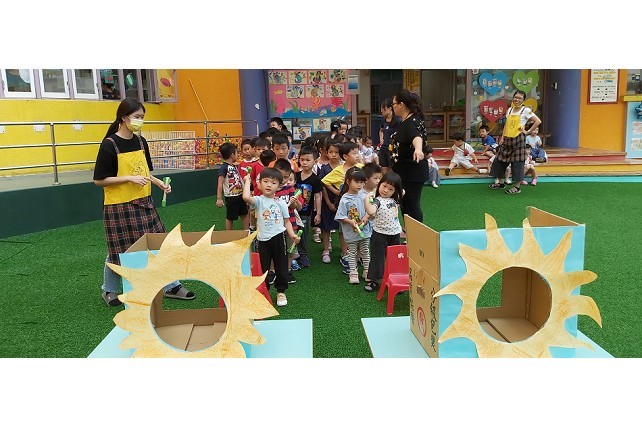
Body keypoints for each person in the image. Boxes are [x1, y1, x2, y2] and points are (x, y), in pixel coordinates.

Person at [93, 97, 194, 306]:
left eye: (142, 117)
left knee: (159, 244)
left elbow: (144, 172)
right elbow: (99, 180)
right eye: (137, 117)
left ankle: (171, 286)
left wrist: (158, 183)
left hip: (144, 202)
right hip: (118, 206)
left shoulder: (141, 142)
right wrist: (128, 179)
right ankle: (110, 289)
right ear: (124, 117)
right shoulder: (109, 144)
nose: (140, 121)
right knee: (118, 250)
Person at [242, 168, 300, 307]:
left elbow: (287, 222)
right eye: (266, 181)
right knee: (263, 268)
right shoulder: (258, 201)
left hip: (279, 238)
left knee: (281, 266)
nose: (269, 185)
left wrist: (292, 235)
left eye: (273, 183)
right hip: (262, 239)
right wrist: (247, 181)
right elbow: (246, 197)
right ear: (259, 184)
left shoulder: (281, 203)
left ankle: (281, 291)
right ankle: (264, 291)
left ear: (279, 186)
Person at [489, 90, 542, 195]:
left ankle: (517, 187)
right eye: (516, 97)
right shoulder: (510, 110)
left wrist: (527, 131)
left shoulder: (526, 110)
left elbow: (538, 121)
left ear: (523, 100)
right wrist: (502, 137)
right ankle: (500, 183)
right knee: (499, 160)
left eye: (520, 98)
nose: (517, 99)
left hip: (518, 140)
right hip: (507, 139)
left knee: (518, 163)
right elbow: (506, 125)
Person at [321, 142, 363, 270]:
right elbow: (325, 181)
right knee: (343, 229)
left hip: (361, 205)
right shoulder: (339, 170)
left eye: (358, 152)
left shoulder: (361, 167)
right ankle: (345, 254)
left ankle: (359, 254)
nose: (357, 155)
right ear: (345, 156)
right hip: (345, 206)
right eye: (354, 153)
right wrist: (337, 192)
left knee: (360, 228)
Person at [390, 89, 429, 222]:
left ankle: (417, 232)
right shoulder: (406, 121)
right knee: (404, 203)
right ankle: (408, 230)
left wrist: (418, 149)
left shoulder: (412, 122)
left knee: (412, 204)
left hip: (412, 172)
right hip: (404, 171)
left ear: (401, 105)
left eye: (393, 104)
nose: (392, 107)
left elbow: (416, 137)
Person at [363, 171, 403, 292]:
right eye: (384, 186)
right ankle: (373, 280)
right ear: (379, 184)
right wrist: (367, 198)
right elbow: (371, 211)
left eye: (390, 189)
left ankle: (395, 280)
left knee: (395, 258)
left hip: (395, 233)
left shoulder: (394, 199)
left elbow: (403, 191)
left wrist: (396, 191)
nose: (385, 190)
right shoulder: (377, 200)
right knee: (377, 257)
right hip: (379, 234)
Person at [335, 167, 372, 284]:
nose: (360, 185)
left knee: (365, 250)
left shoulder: (365, 195)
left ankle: (367, 271)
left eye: (362, 182)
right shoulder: (345, 199)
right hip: (351, 231)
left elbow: (371, 209)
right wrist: (350, 222)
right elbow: (341, 216)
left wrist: (366, 217)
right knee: (351, 252)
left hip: (365, 230)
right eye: (357, 182)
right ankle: (353, 272)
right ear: (348, 181)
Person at [295, 146, 323, 268]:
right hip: (292, 211)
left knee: (303, 234)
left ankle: (303, 255)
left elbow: (318, 197)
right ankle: (293, 254)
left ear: (315, 161)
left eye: (308, 160)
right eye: (302, 159)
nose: (305, 162)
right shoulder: (295, 176)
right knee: (292, 232)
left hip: (306, 213)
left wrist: (318, 214)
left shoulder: (315, 179)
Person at [216, 142, 249, 230]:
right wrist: (219, 198)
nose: (238, 155)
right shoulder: (224, 168)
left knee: (244, 213)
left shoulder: (234, 166)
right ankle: (229, 234)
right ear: (232, 155)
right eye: (236, 153)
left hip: (240, 195)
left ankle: (247, 231)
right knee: (230, 217)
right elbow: (220, 183)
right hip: (231, 197)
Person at [378, 98, 401, 175]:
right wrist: (381, 139)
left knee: (392, 171)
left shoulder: (398, 120)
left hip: (392, 149)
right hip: (383, 148)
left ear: (390, 108)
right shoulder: (383, 120)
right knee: (384, 170)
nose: (381, 111)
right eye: (381, 109)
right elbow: (381, 130)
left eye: (383, 109)